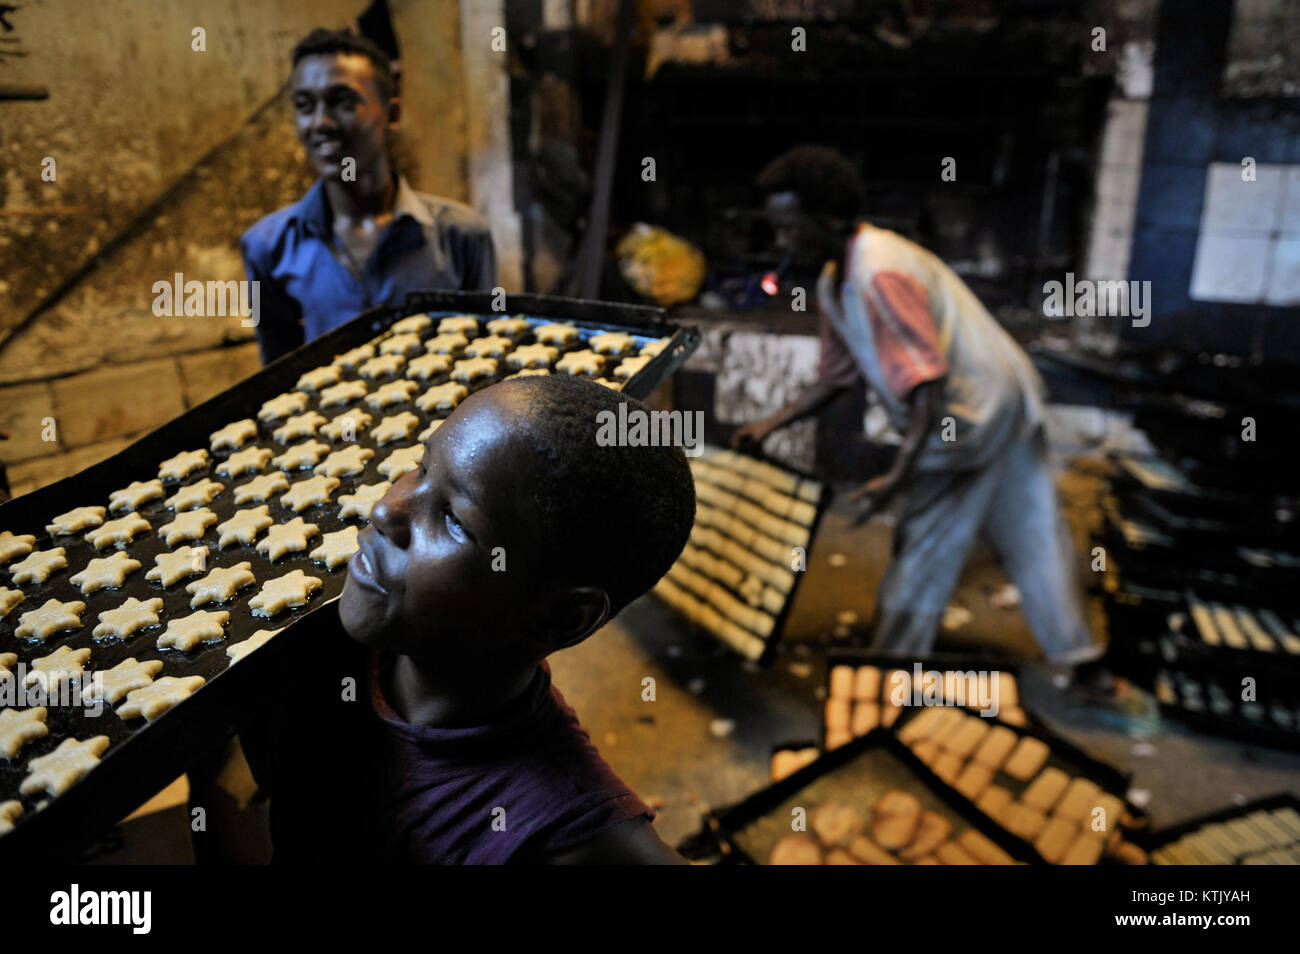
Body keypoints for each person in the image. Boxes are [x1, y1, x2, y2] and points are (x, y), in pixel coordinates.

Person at [241, 376, 695, 863]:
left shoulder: (562, 838)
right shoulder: (305, 648)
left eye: (455, 519)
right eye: (420, 468)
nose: (385, 509)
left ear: (564, 615)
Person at [732, 146, 1099, 666]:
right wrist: (769, 424)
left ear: (830, 218)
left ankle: (891, 671)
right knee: (1034, 534)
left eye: (791, 227)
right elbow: (836, 379)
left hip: (969, 416)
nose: (782, 241)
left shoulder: (880, 272)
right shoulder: (834, 283)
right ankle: (1080, 661)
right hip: (1003, 398)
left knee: (925, 545)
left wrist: (900, 474)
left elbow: (926, 385)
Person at [241, 28, 497, 364]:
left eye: (342, 102)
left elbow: (487, 357)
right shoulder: (268, 247)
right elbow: (275, 380)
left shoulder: (460, 236)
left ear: (391, 115)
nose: (320, 123)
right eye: (304, 105)